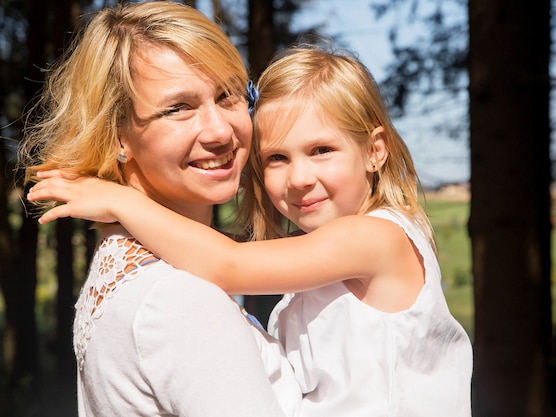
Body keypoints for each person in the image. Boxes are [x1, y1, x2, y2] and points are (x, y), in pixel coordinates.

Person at [28, 45, 473, 416]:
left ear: (375, 151)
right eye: (277, 158)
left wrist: (123, 201)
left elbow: (227, 263)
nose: (299, 178)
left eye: (321, 150)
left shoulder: (376, 239)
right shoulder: (322, 268)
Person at [18, 2, 302, 416]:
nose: (221, 130)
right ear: (117, 135)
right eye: (178, 108)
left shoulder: (124, 268)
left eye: (228, 95)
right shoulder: (179, 299)